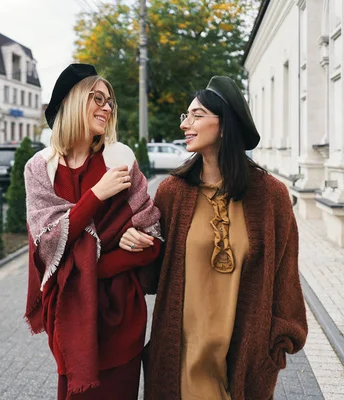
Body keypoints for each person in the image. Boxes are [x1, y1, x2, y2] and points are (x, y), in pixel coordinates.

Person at [139, 76, 308, 399]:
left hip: (243, 363)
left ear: (225, 125)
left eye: (197, 115)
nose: (186, 124)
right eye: (185, 116)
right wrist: (133, 238)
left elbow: (285, 274)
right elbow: (150, 278)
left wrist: (279, 342)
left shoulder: (271, 196)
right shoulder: (172, 193)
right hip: (180, 360)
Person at [24, 63, 163, 399]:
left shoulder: (121, 160)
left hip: (121, 317)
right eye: (97, 98)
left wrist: (130, 248)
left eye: (110, 101)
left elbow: (153, 242)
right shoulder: (40, 169)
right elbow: (47, 246)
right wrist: (97, 195)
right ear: (72, 102)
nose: (107, 107)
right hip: (70, 315)